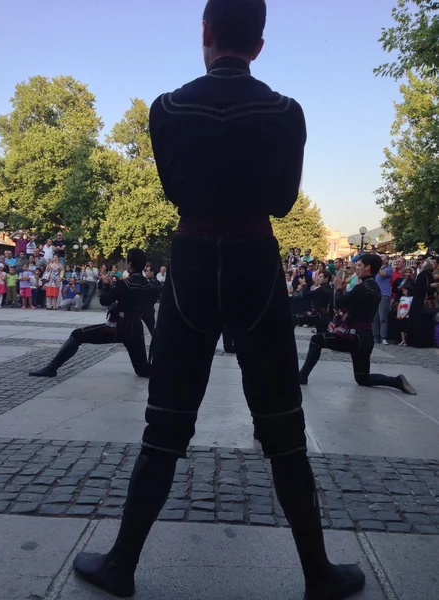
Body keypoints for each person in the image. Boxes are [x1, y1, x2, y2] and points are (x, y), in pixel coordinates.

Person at [72, 3, 366, 599]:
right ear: (259, 44)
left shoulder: (168, 110)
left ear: (204, 32)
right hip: (256, 258)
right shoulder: (287, 113)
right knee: (283, 420)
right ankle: (317, 573)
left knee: (167, 419)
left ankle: (123, 563)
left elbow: (174, 190)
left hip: (194, 259)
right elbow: (283, 204)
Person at [29, 248, 159, 379]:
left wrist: (105, 285)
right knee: (142, 369)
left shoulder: (124, 284)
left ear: (129, 264)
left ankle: (51, 368)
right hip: (136, 329)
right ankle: (171, 373)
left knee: (77, 335)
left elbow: (104, 300)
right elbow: (148, 312)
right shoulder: (150, 287)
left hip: (118, 327)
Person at [298, 254, 416, 396]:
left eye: (359, 265)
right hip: (366, 337)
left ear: (368, 267)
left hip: (354, 336)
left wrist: (339, 289)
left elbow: (339, 303)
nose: (357, 268)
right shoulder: (375, 288)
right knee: (362, 377)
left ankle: (302, 376)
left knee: (316, 340)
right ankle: (396, 381)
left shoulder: (362, 288)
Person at [409, 259, 435, 347]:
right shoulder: (427, 276)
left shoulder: (424, 275)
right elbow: (421, 288)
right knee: (424, 322)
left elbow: (418, 288)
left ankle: (418, 341)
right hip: (423, 301)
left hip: (420, 302)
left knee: (420, 322)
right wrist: (430, 287)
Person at [396, 280, 414, 346]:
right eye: (403, 291)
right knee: (401, 329)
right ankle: (403, 340)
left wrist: (405, 314)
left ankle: (406, 340)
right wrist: (398, 314)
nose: (403, 292)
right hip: (400, 314)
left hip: (406, 316)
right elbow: (399, 305)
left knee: (406, 329)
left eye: (405, 291)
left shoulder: (411, 298)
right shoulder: (402, 297)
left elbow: (409, 307)